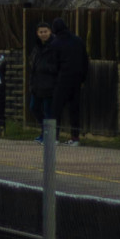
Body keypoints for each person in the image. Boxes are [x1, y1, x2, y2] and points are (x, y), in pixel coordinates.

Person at [50, 17, 89, 145]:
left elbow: (54, 64)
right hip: (77, 79)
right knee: (74, 109)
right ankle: (75, 138)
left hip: (62, 79)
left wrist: (54, 79)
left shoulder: (55, 43)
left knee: (56, 109)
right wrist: (83, 78)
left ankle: (54, 137)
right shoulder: (78, 40)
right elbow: (85, 60)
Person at [28, 22, 61, 140]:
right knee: (33, 107)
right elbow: (32, 64)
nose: (43, 34)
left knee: (49, 112)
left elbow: (57, 64)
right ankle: (45, 131)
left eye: (45, 32)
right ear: (37, 33)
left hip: (49, 85)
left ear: (50, 32)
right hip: (37, 85)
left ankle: (51, 136)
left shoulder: (55, 45)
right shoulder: (37, 47)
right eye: (41, 32)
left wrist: (47, 68)